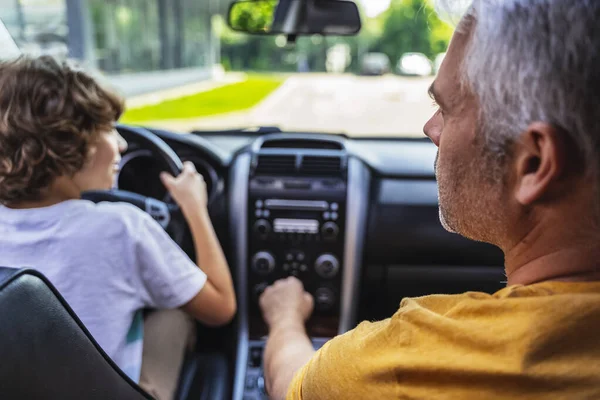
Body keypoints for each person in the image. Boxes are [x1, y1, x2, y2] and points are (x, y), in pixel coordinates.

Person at [259, 1, 600, 399]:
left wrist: (284, 316)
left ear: (535, 164)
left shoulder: (414, 361)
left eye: (446, 109)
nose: (430, 128)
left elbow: (289, 383)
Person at [0, 56, 236, 400]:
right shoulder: (123, 226)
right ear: (70, 146)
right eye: (108, 129)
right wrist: (195, 208)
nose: (122, 144)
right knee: (175, 312)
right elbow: (221, 308)